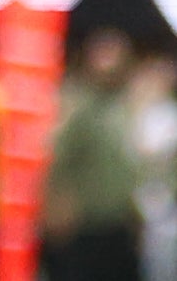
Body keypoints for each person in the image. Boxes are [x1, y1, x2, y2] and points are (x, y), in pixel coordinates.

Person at [43, 31, 147, 281]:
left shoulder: (121, 104)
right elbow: (57, 161)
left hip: (119, 221)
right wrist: (56, 209)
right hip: (86, 225)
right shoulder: (79, 104)